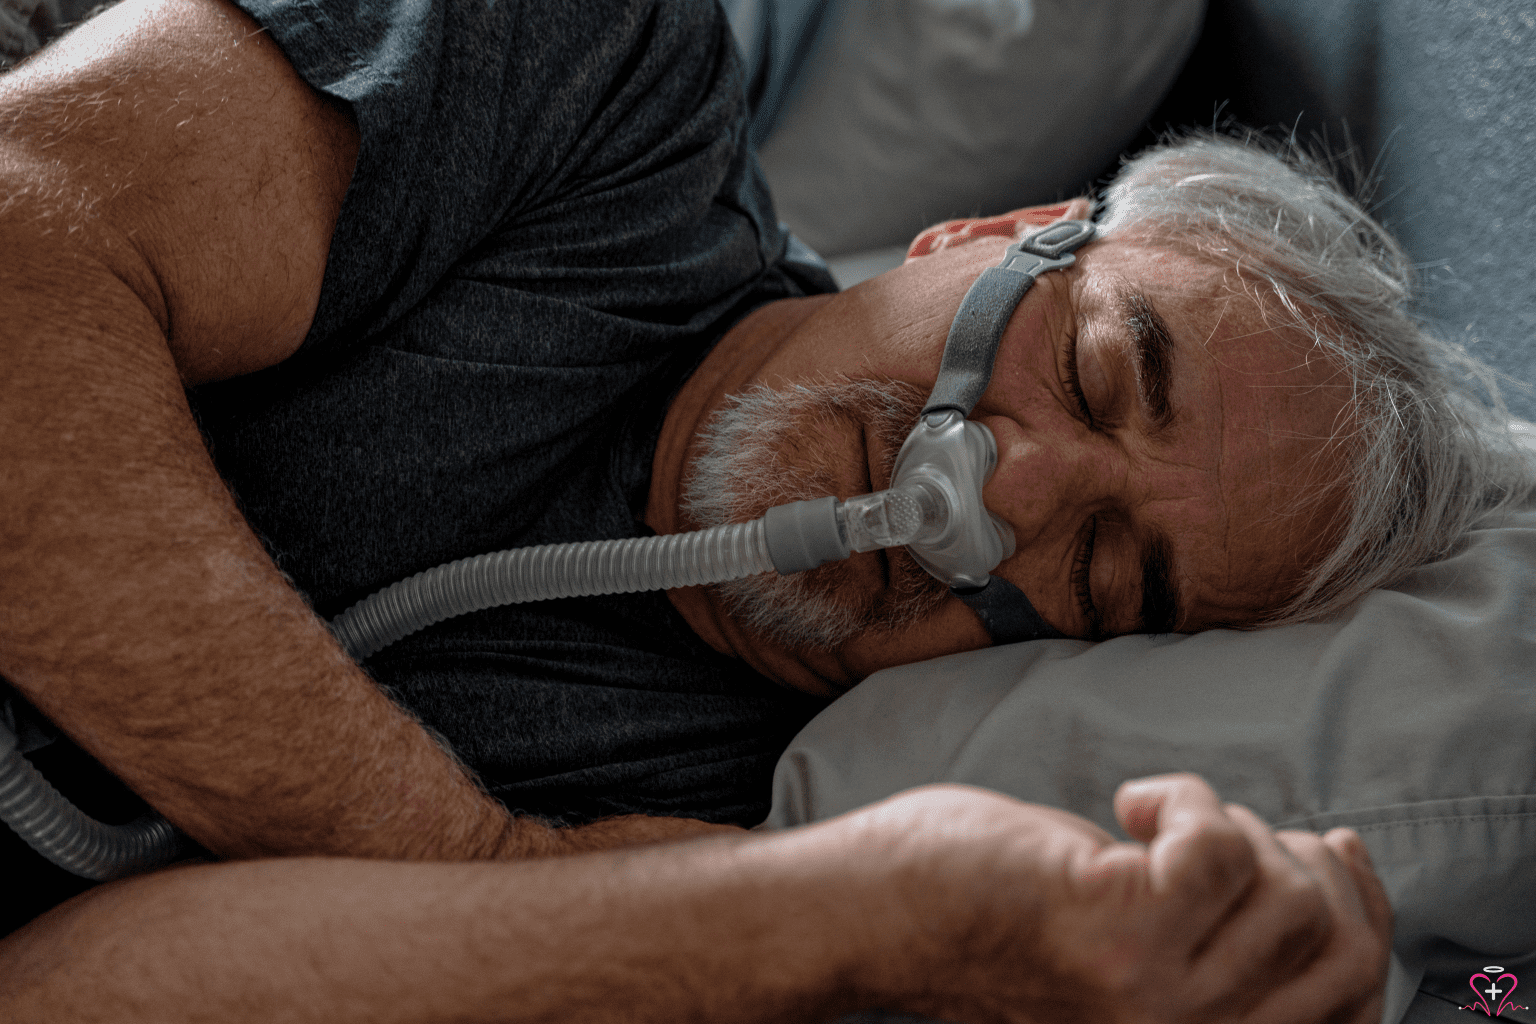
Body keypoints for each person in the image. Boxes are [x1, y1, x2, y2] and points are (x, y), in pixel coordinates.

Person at [0, 0, 1522, 1017]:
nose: (1009, 490)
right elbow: (21, 235)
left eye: (1107, 571)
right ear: (990, 229)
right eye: (1104, 370)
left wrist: (840, 914)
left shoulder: (740, 836)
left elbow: (64, 993)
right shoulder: (593, 91)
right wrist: (467, 864)